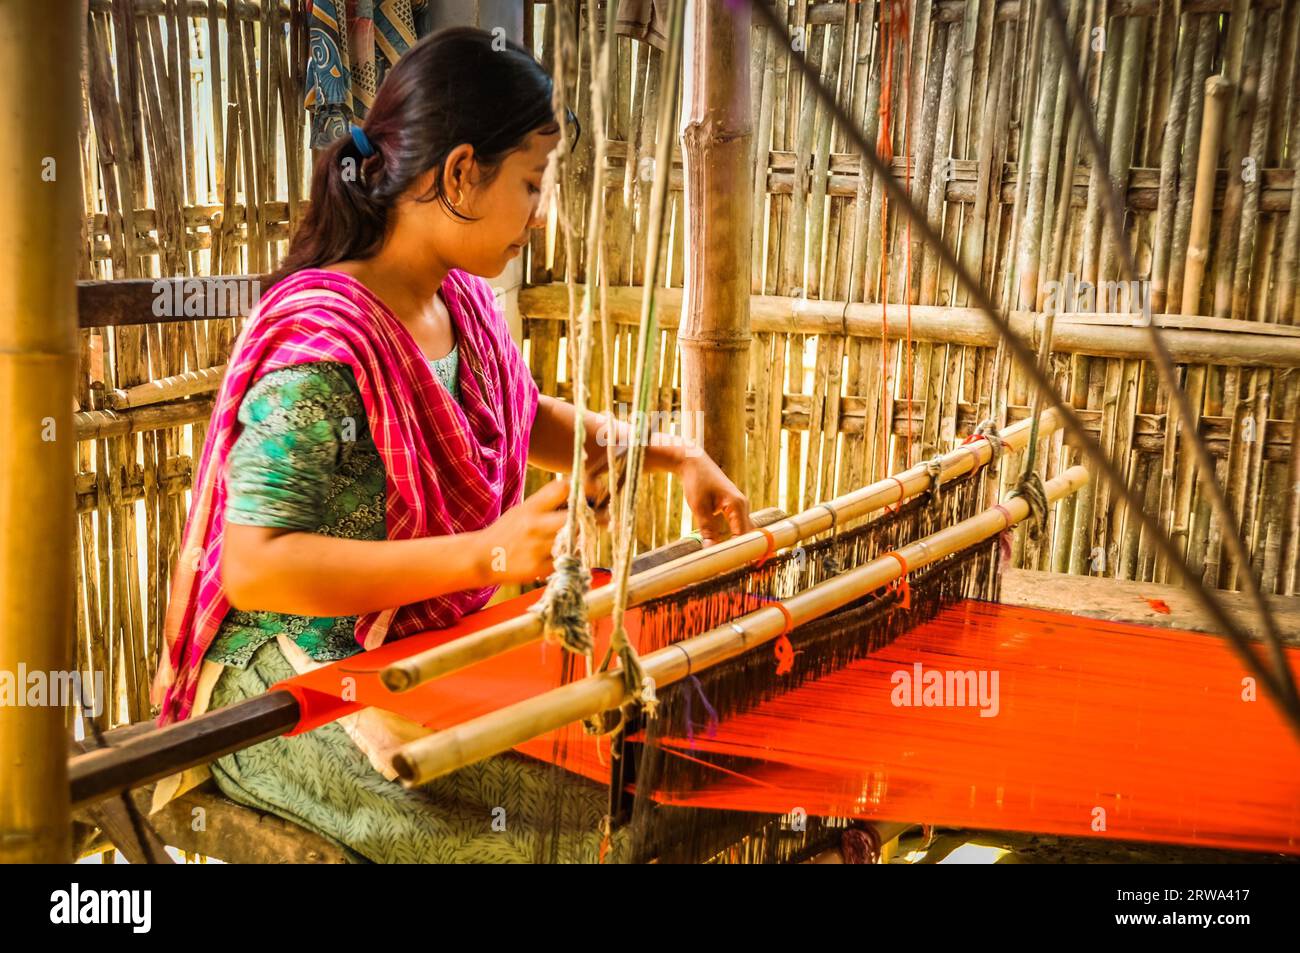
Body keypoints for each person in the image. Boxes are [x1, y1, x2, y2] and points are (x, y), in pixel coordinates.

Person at [149, 26, 753, 863]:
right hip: (289, 691)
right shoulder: (322, 344)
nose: (541, 216)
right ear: (462, 173)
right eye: (532, 184)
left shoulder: (459, 302)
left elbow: (523, 411)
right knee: (604, 822)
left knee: (676, 754)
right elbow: (257, 562)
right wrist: (486, 556)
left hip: (413, 651)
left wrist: (673, 453)